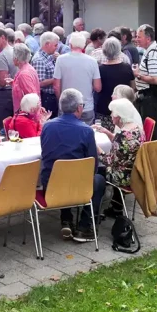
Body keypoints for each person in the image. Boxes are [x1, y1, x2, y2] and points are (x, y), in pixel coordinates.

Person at [40, 88, 106, 243]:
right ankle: (85, 226)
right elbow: (93, 166)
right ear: (79, 108)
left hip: (50, 187)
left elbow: (46, 153)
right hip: (74, 186)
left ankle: (66, 219)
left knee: (62, 171)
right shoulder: (86, 131)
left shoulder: (47, 126)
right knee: (99, 178)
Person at [92, 97, 144, 217]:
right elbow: (122, 148)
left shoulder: (122, 136)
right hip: (136, 171)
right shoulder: (137, 129)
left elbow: (109, 161)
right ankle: (116, 208)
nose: (110, 115)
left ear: (119, 116)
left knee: (97, 172)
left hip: (123, 177)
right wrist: (106, 132)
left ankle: (94, 212)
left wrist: (98, 149)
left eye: (112, 113)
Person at [53, 31, 102, 124]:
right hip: (86, 106)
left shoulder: (60, 59)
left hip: (66, 107)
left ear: (70, 45)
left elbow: (56, 86)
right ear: (84, 46)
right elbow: (98, 87)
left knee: (66, 135)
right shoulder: (92, 61)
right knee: (86, 134)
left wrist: (61, 101)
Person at [96, 37, 134, 130]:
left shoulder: (100, 69)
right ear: (118, 50)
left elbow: (98, 88)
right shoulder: (127, 67)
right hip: (123, 109)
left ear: (104, 51)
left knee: (105, 137)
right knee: (123, 137)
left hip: (104, 108)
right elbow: (133, 88)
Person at [133, 25, 157, 122]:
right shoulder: (149, 51)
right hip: (147, 96)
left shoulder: (153, 53)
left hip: (150, 96)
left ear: (148, 38)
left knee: (150, 128)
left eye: (139, 37)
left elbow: (156, 80)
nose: (136, 39)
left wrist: (138, 74)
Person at [11, 43, 40, 117]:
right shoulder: (28, 68)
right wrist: (14, 83)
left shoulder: (24, 74)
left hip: (26, 117)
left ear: (16, 59)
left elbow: (32, 98)